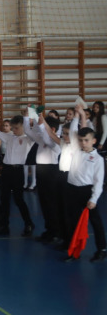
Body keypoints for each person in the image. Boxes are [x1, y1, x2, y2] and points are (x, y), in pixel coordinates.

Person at [63, 105, 105, 262]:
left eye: (86, 140)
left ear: (94, 141)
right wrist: (77, 115)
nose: (83, 143)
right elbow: (73, 131)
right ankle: (74, 250)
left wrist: (94, 199)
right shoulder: (76, 149)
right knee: (72, 221)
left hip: (87, 191)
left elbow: (98, 181)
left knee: (95, 221)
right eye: (80, 140)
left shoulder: (98, 159)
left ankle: (102, 249)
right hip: (71, 190)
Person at [0, 113, 35, 236]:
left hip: (18, 171)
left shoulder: (29, 138)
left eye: (17, 128)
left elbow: (31, 130)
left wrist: (27, 118)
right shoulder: (9, 137)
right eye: (13, 128)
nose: (14, 130)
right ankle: (3, 226)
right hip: (6, 170)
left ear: (23, 127)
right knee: (4, 199)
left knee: (18, 199)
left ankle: (28, 223)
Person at [27, 112, 62, 243]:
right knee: (44, 203)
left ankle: (56, 232)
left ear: (52, 129)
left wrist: (42, 124)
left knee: (52, 203)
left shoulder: (57, 141)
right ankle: (49, 230)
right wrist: (27, 117)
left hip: (51, 173)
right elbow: (28, 131)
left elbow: (48, 140)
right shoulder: (42, 139)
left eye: (43, 126)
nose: (40, 128)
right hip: (41, 171)